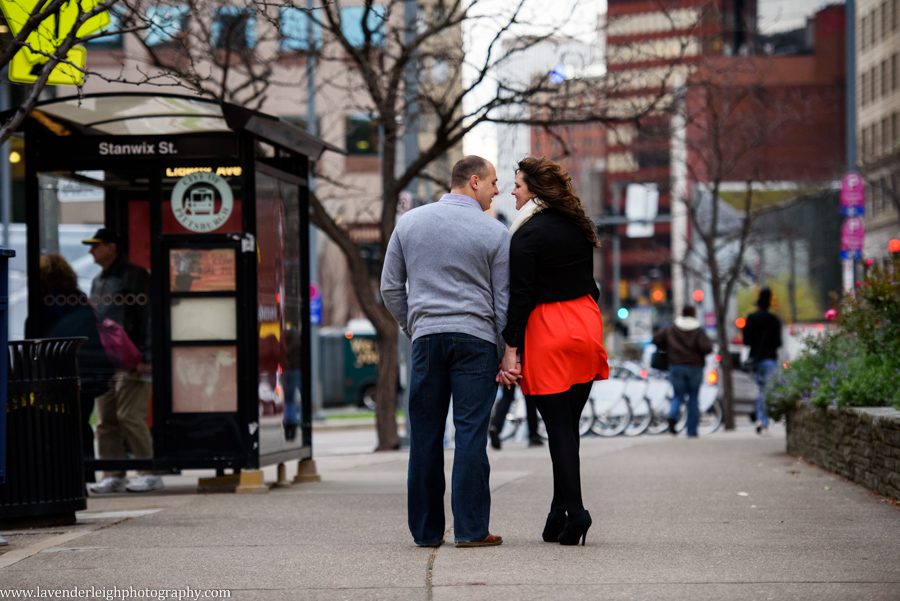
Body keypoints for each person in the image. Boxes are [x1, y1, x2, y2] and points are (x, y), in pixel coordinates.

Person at [381, 155, 509, 549]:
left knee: (425, 436)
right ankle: (471, 530)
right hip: (476, 341)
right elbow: (502, 300)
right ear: (473, 182)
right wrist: (505, 350)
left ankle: (425, 531)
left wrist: (414, 325)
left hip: (427, 339)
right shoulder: (495, 234)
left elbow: (389, 288)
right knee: (471, 433)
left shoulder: (410, 223)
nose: (497, 190)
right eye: (492, 183)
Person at [498, 156, 609, 546]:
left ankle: (577, 513)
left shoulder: (525, 235)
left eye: (517, 184)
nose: (512, 190)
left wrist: (510, 347)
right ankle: (557, 514)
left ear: (534, 190)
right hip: (586, 322)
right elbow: (589, 284)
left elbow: (521, 296)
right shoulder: (579, 226)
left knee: (559, 428)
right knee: (568, 428)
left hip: (548, 329)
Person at [82, 228, 160, 493]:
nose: (91, 251)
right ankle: (113, 473)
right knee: (105, 421)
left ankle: (148, 471)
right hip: (108, 360)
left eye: (96, 245)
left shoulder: (135, 276)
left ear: (112, 247)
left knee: (129, 415)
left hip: (133, 358)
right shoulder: (98, 280)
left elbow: (148, 317)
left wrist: (147, 356)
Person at [36, 253, 115, 484]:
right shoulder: (79, 298)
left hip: (59, 369)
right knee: (81, 421)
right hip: (88, 368)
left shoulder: (46, 303)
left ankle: (66, 474)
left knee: (57, 421)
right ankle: (86, 472)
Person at [652, 305, 713, 438]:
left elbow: (656, 339)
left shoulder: (672, 328)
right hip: (695, 367)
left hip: (676, 366)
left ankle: (673, 416)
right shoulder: (698, 330)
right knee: (693, 398)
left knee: (677, 395)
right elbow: (707, 348)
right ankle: (691, 431)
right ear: (693, 314)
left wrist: (667, 348)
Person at [742, 287, 782, 435]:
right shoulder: (774, 320)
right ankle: (763, 421)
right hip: (770, 358)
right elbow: (778, 343)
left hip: (756, 359)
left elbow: (746, 341)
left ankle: (760, 418)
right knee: (767, 390)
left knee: (761, 389)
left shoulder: (751, 319)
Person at [489, 384, 542, 449]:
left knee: (507, 396)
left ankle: (495, 427)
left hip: (510, 373)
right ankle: (533, 435)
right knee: (529, 397)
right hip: (526, 374)